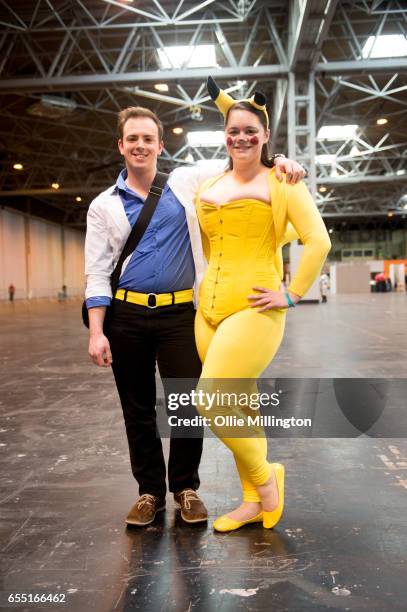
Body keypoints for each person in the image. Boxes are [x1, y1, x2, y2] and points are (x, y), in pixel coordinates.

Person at [85, 104, 305, 528]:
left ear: (160, 145)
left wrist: (280, 161)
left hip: (181, 313)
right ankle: (149, 492)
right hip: (126, 316)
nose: (140, 145)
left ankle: (185, 488)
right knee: (138, 410)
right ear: (121, 146)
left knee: (188, 403)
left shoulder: (188, 181)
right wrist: (97, 331)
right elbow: (96, 272)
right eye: (132, 138)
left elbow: (243, 155)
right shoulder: (102, 206)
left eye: (148, 138)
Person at [192, 77, 331, 532]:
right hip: (207, 313)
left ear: (266, 134)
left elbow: (318, 241)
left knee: (210, 401)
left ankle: (266, 480)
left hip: (256, 309)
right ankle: (253, 502)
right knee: (238, 406)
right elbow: (215, 248)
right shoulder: (208, 184)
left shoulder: (283, 182)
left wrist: (291, 294)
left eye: (251, 130)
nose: (242, 137)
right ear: (225, 135)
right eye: (234, 130)